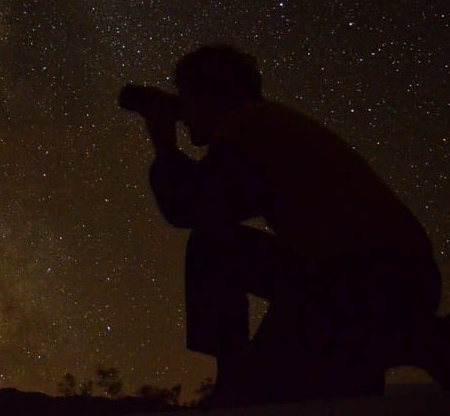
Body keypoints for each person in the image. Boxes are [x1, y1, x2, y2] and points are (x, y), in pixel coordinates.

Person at [122, 45, 446, 406]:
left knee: (212, 249)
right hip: (387, 278)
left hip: (366, 280)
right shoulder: (270, 126)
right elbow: (220, 202)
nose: (182, 114)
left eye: (186, 99)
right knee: (332, 387)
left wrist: (165, 144)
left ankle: (236, 384)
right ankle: (410, 338)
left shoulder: (248, 124)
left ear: (212, 95)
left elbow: (191, 207)